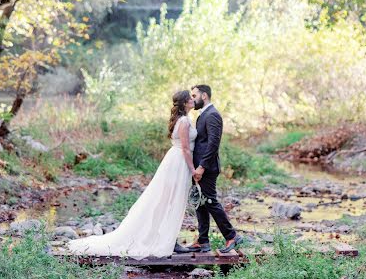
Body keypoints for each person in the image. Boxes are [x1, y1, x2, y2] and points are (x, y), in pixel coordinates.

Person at [67, 90, 197, 259]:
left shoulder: (182, 119)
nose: (193, 100)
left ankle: (167, 238)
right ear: (185, 102)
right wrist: (193, 169)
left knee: (166, 201)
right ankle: (167, 240)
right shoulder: (185, 121)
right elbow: (186, 148)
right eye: (190, 98)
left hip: (174, 161)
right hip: (179, 163)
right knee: (171, 201)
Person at [187, 84, 242, 254]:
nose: (192, 99)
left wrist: (202, 166)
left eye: (194, 96)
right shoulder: (202, 115)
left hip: (207, 168)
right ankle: (203, 241)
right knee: (200, 203)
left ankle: (232, 236)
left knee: (210, 201)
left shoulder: (213, 115)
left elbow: (213, 144)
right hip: (199, 167)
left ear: (204, 96)